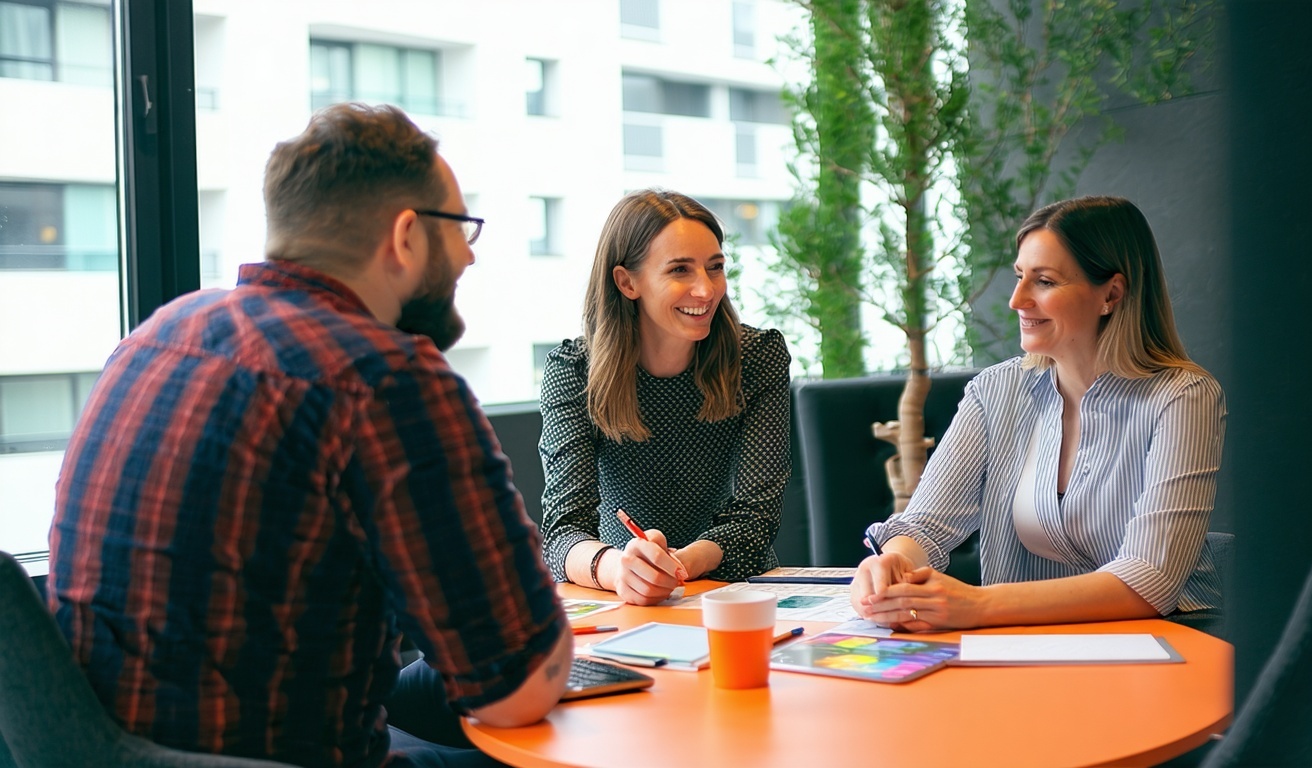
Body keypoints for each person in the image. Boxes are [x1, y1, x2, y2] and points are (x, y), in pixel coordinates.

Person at [47, 103, 573, 768]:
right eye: (462, 228)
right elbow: (515, 691)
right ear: (406, 236)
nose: (469, 253)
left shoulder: (158, 335)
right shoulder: (383, 377)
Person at [851, 195, 1226, 631]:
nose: (1016, 300)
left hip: (1167, 640)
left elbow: (1150, 579)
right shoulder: (995, 390)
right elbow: (925, 525)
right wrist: (892, 563)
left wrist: (977, 605)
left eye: (1044, 281)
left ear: (1111, 294)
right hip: (1025, 644)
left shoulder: (1184, 396)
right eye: (1019, 277)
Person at [538, 189, 791, 606]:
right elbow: (563, 533)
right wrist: (620, 568)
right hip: (626, 591)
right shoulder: (573, 370)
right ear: (627, 281)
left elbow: (756, 517)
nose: (706, 290)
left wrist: (681, 564)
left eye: (715, 268)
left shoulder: (758, 357)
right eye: (680, 270)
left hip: (732, 588)